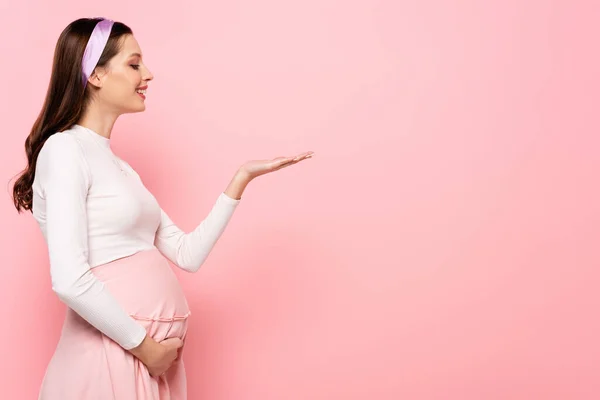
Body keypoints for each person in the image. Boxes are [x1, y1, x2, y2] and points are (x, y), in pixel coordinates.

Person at [11, 17, 313, 399]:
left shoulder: (122, 169)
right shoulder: (66, 150)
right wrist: (146, 348)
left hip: (149, 362)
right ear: (97, 75)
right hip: (109, 355)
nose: (148, 74)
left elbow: (187, 255)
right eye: (134, 64)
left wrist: (240, 180)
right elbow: (70, 279)